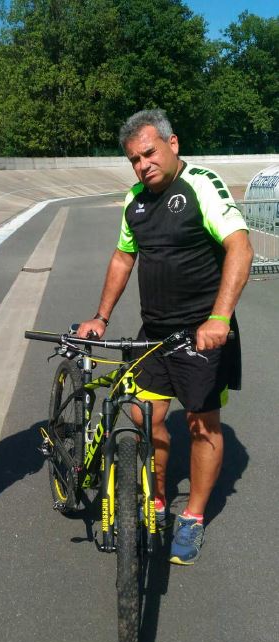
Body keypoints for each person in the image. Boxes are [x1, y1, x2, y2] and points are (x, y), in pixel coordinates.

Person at [78, 109, 253, 565]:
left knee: (201, 425)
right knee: (144, 417)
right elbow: (123, 257)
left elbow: (240, 245)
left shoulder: (201, 185)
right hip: (153, 332)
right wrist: (100, 315)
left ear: (173, 144)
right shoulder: (134, 200)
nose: (143, 165)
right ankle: (155, 500)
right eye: (134, 159)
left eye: (149, 153)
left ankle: (192, 518)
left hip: (202, 333)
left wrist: (219, 318)